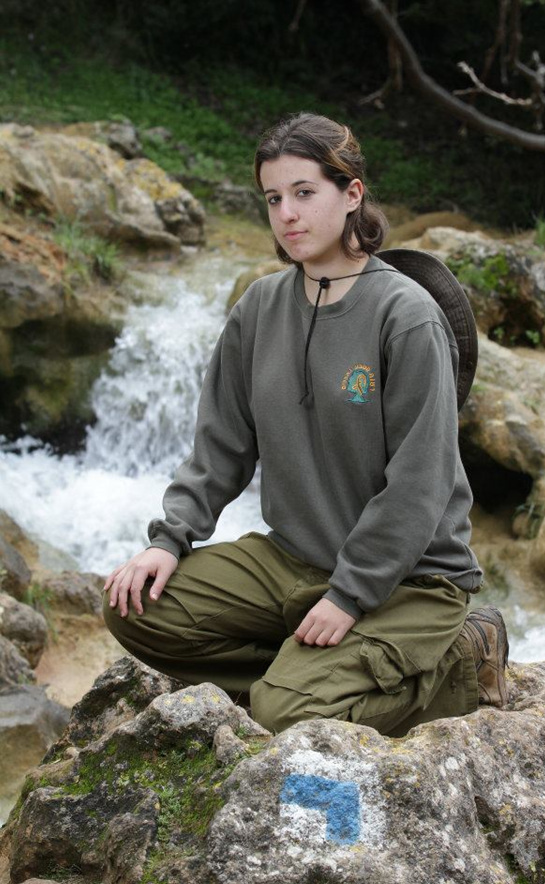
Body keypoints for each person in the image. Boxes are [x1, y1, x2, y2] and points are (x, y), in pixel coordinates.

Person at [103, 112, 509, 737]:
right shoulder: (259, 308)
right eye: (273, 199)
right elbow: (221, 445)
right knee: (134, 608)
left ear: (351, 195)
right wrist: (169, 538)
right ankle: (302, 675)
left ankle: (462, 657)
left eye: (304, 192)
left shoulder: (406, 316)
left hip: (409, 579)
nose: (287, 214)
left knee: (280, 713)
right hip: (292, 558)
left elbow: (419, 482)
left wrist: (349, 595)